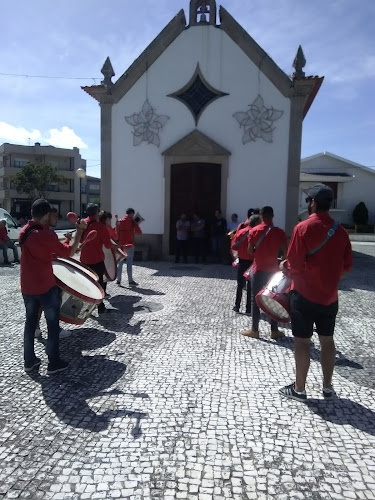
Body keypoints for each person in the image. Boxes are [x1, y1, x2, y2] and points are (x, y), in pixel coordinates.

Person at [279, 184, 353, 401]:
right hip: (329, 297)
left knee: (302, 342)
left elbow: (294, 265)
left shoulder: (302, 228)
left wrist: (285, 267)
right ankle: (328, 387)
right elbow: (347, 266)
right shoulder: (341, 231)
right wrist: (328, 278)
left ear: (312, 203)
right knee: (327, 340)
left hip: (303, 295)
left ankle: (299, 389)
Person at [20, 199, 86, 374]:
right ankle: (54, 362)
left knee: (30, 324)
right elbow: (68, 253)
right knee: (52, 325)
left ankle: (29, 361)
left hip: (27, 288)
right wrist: (79, 232)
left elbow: (42, 252)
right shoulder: (46, 235)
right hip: (45, 288)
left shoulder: (25, 231)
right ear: (47, 215)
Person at [240, 206, 288, 340]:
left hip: (258, 269)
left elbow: (250, 251)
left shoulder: (254, 231)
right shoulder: (279, 232)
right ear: (273, 216)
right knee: (273, 299)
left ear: (261, 217)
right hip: (273, 270)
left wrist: (259, 253)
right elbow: (286, 252)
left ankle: (255, 329)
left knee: (255, 298)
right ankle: (274, 330)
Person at [34, 207, 72, 340]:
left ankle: (36, 329)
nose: (57, 219)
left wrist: (66, 242)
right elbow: (61, 252)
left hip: (34, 278)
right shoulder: (47, 234)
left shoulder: (30, 231)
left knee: (37, 307)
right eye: (55, 216)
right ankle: (55, 331)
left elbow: (54, 249)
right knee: (53, 304)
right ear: (47, 216)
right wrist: (72, 240)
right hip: (47, 278)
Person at [80, 203, 116, 313]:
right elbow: (108, 245)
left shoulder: (82, 223)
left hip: (84, 260)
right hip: (96, 260)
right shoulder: (100, 227)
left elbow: (79, 240)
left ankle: (86, 308)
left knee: (86, 284)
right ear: (96, 213)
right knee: (99, 284)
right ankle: (100, 308)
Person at [231, 214, 261, 313]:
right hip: (253, 262)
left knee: (240, 285)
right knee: (250, 286)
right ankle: (249, 308)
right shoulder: (258, 233)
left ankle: (237, 306)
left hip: (242, 260)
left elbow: (234, 247)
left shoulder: (240, 232)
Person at [116, 208, 142, 286]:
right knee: (129, 263)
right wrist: (136, 223)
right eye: (132, 214)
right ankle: (130, 281)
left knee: (120, 263)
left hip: (121, 245)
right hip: (129, 245)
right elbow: (139, 232)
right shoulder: (132, 222)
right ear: (131, 214)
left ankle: (118, 280)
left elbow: (116, 233)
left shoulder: (120, 221)